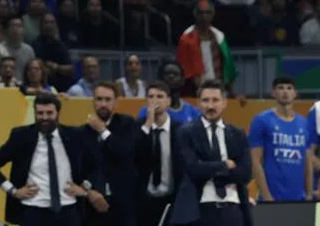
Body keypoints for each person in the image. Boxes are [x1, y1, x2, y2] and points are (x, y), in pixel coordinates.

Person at [0, 92, 105, 226]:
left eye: (49, 113)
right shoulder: (21, 136)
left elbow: (97, 164)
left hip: (68, 210)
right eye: (40, 113)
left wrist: (84, 188)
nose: (44, 117)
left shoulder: (75, 135)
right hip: (32, 210)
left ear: (58, 113)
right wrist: (13, 191)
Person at [173, 80, 251, 226]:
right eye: (205, 100)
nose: (210, 106)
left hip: (233, 208)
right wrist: (225, 165)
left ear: (224, 103)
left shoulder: (237, 134)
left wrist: (209, 169)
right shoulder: (186, 132)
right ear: (198, 103)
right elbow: (192, 168)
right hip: (200, 208)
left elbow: (245, 173)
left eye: (215, 100)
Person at [81, 82, 137, 226]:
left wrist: (103, 131)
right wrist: (89, 191)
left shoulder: (127, 124)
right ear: (93, 101)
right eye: (99, 99)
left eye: (107, 99)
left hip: (123, 205)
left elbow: (124, 152)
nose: (103, 104)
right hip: (92, 205)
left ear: (116, 102)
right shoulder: (82, 132)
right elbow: (78, 168)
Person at [248, 75, 312, 201]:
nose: (285, 92)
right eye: (280, 88)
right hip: (272, 198)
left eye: (289, 88)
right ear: (273, 93)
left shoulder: (304, 123)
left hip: (300, 199)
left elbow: (307, 162)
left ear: (295, 93)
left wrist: (309, 193)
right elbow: (255, 161)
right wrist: (267, 197)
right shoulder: (261, 120)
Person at [135, 81, 182, 226]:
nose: (155, 101)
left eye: (160, 96)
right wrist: (148, 124)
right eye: (151, 96)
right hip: (143, 201)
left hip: (172, 200)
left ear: (168, 101)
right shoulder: (137, 127)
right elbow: (133, 154)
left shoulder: (181, 130)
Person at [136, 60, 201, 126]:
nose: (171, 77)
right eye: (167, 74)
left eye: (175, 74)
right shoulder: (146, 111)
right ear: (159, 79)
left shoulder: (194, 112)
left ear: (183, 80)